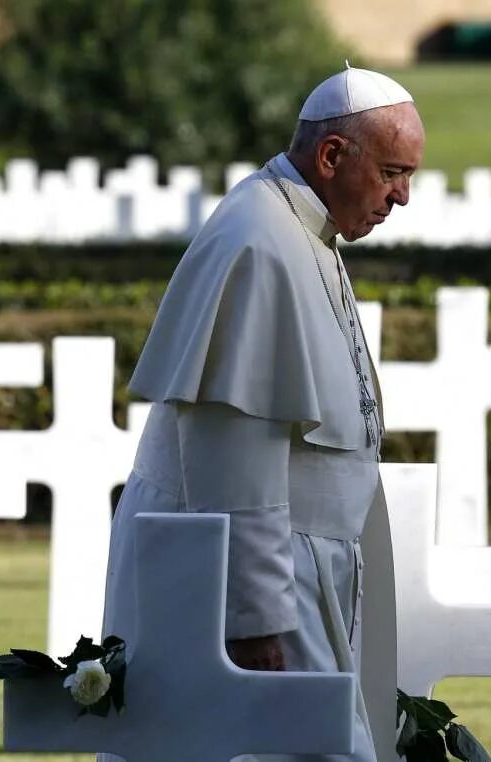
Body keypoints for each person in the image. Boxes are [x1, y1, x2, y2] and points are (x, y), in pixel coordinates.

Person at [99, 66, 425, 761]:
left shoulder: (299, 228)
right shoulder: (258, 241)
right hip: (265, 578)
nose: (402, 196)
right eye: (393, 173)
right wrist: (255, 620)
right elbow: (232, 456)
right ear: (334, 157)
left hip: (300, 571)